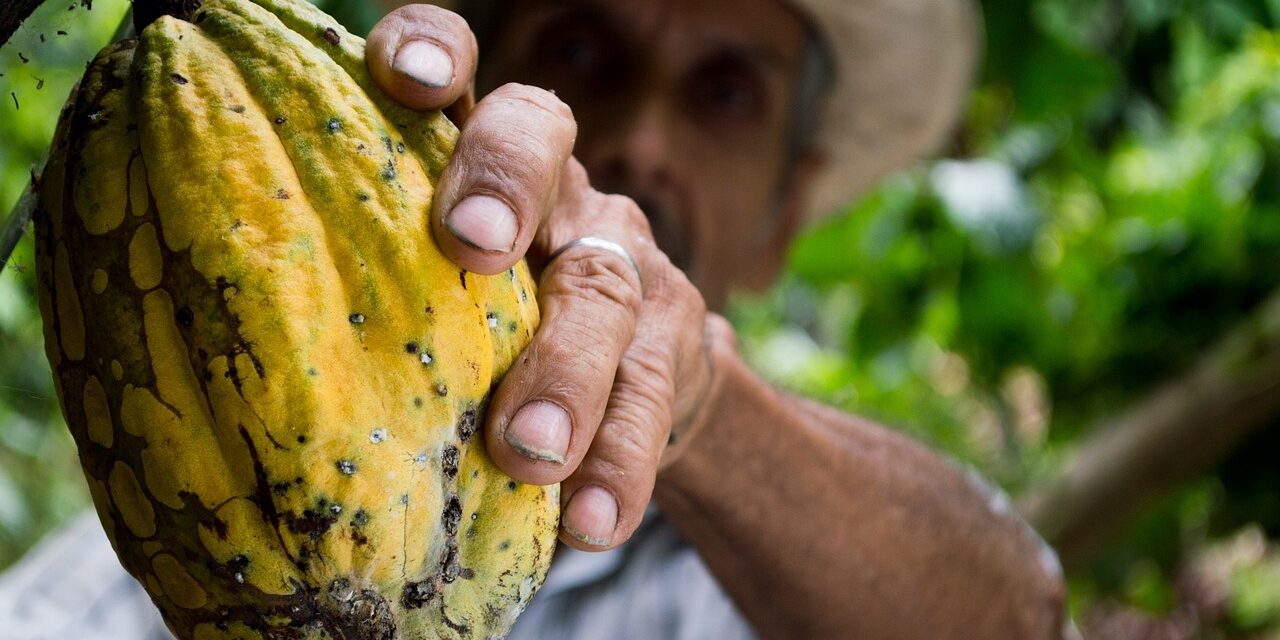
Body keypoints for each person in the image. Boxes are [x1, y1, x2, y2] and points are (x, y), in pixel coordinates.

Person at [0, 0, 1072, 638]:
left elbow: (1017, 616)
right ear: (464, 77)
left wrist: (693, 404)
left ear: (784, 214)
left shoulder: (764, 576)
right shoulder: (205, 491)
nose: (644, 137)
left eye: (724, 92)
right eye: (582, 47)